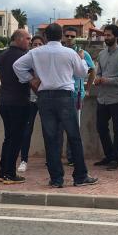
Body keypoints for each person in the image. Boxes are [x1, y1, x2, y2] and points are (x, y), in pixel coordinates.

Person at [13, 23, 98, 188]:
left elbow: (17, 66)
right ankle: (80, 176)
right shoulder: (70, 53)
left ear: (45, 37)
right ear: (61, 36)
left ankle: (56, 178)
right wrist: (81, 59)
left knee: (51, 138)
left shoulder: (35, 52)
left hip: (44, 96)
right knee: (74, 136)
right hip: (65, 96)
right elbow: (81, 73)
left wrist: (30, 80)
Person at [0, 29, 31, 184]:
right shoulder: (24, 57)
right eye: (27, 38)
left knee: (8, 137)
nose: (29, 42)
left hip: (4, 102)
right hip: (19, 103)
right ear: (18, 39)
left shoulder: (2, 55)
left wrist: (1, 90)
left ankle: (3, 172)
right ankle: (10, 174)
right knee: (16, 138)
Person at [93, 24, 118, 171]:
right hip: (102, 98)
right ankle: (109, 155)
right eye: (105, 35)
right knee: (101, 128)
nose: (106, 38)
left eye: (109, 35)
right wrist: (97, 79)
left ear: (116, 37)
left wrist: (108, 81)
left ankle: (116, 159)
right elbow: (99, 72)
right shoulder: (102, 54)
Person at [60, 26, 96, 166]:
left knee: (73, 127)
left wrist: (87, 89)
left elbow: (92, 71)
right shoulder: (60, 52)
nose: (69, 38)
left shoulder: (82, 53)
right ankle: (57, 156)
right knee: (58, 127)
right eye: (67, 36)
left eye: (72, 36)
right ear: (62, 36)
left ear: (76, 37)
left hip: (76, 94)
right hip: (61, 93)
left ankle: (72, 157)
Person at [17, 35, 45, 173]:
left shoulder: (47, 60)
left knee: (49, 130)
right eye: (35, 44)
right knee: (26, 131)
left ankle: (51, 159)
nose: (37, 47)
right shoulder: (26, 61)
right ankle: (24, 160)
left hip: (46, 100)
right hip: (30, 100)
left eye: (40, 44)